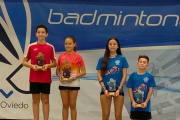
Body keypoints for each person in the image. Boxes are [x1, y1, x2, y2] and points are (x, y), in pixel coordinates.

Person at [22, 24, 56, 120]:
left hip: (46, 78)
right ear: (36, 34)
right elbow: (24, 62)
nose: (41, 34)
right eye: (39, 32)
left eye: (43, 32)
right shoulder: (31, 47)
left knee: (45, 100)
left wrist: (47, 65)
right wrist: (32, 66)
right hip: (34, 77)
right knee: (35, 100)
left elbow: (54, 63)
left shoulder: (50, 47)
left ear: (46, 34)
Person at [96, 37, 129, 120]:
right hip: (105, 90)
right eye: (110, 44)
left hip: (118, 90)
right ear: (108, 46)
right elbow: (99, 75)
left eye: (114, 44)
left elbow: (124, 75)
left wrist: (119, 89)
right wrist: (104, 88)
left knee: (118, 115)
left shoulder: (122, 59)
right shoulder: (102, 59)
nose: (112, 46)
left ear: (118, 46)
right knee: (105, 115)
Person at [56, 36, 86, 120]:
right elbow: (57, 71)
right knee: (65, 105)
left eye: (70, 44)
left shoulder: (78, 56)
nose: (68, 45)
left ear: (74, 44)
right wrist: (59, 76)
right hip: (63, 83)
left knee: (72, 105)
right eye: (66, 44)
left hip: (74, 83)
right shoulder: (61, 56)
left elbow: (84, 71)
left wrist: (74, 77)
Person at [126, 55, 156, 120]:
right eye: (141, 62)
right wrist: (133, 101)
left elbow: (150, 90)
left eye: (144, 62)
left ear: (147, 65)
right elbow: (130, 90)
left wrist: (146, 102)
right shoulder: (132, 76)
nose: (142, 63)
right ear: (137, 64)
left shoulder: (150, 76)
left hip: (145, 107)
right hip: (134, 107)